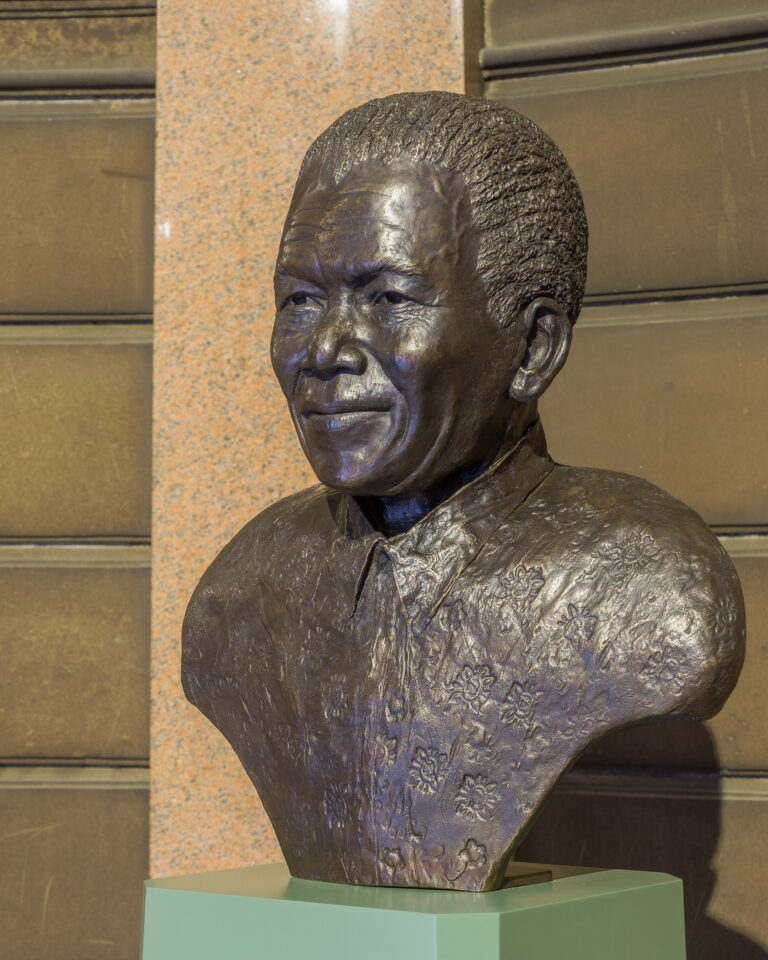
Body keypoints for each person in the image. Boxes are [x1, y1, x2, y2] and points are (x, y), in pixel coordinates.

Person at [181, 92, 744, 892]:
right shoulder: (238, 595)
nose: (326, 349)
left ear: (533, 346)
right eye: (300, 301)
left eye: (388, 298)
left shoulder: (647, 590)